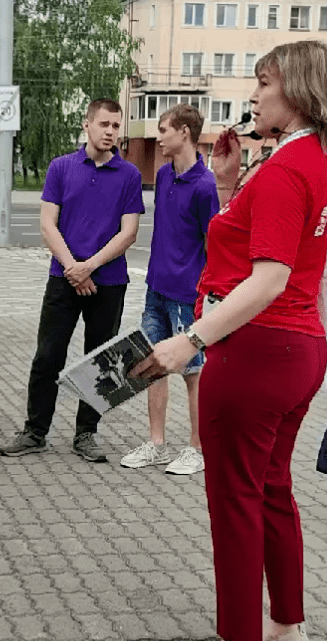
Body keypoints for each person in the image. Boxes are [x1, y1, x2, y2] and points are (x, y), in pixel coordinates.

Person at [131, 40, 327, 641]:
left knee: (235, 498)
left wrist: (189, 339)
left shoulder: (283, 171)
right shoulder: (314, 161)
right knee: (273, 489)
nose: (253, 96)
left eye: (264, 83)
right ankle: (288, 628)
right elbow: (251, 243)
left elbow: (268, 277)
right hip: (299, 349)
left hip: (254, 351)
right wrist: (227, 182)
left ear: (297, 92)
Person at [0, 98, 144, 462]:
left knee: (103, 360)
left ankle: (86, 434)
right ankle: (35, 432)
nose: (110, 132)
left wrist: (88, 267)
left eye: (115, 126)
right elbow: (48, 224)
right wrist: (72, 268)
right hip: (63, 279)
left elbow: (129, 233)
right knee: (48, 356)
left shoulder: (129, 175)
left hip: (108, 281)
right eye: (104, 124)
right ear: (87, 125)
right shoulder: (61, 168)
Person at [120, 104, 219, 475]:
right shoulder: (162, 175)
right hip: (155, 288)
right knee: (154, 365)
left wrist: (204, 296)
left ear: (184, 133)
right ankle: (157, 444)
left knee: (193, 371)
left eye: (164, 130)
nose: (158, 137)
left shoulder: (206, 186)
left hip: (187, 294)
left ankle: (197, 448)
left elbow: (213, 245)